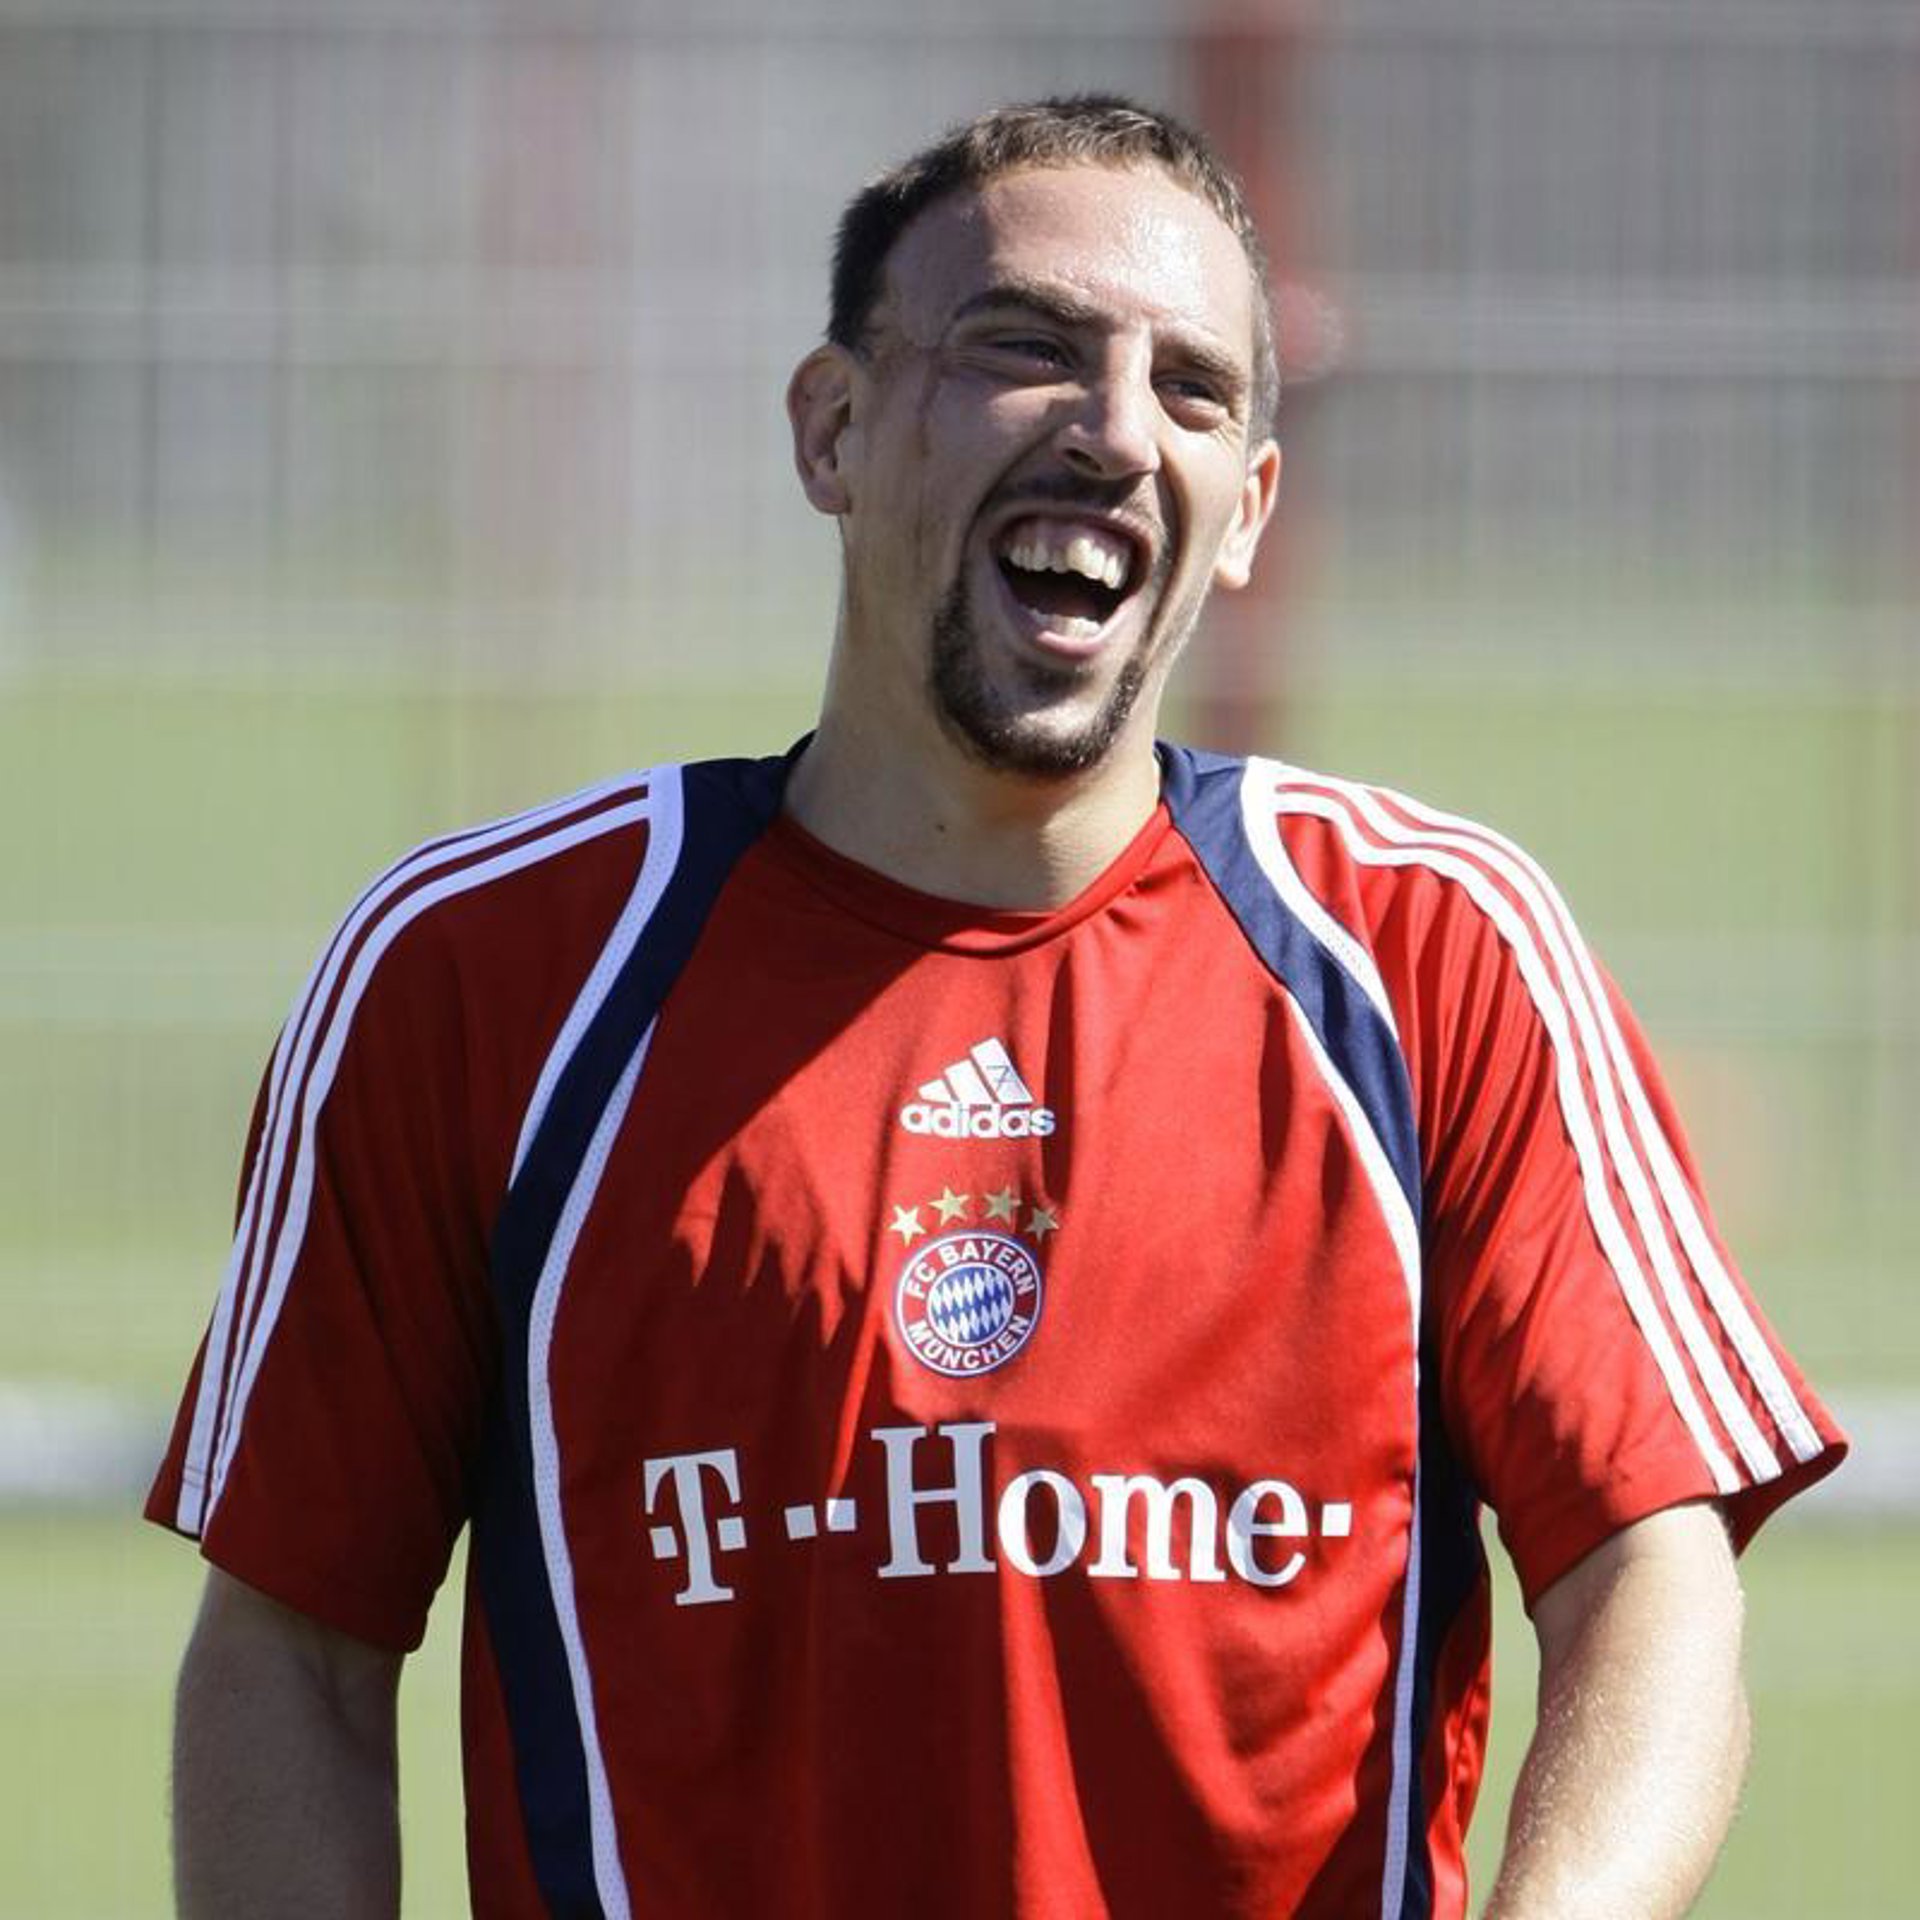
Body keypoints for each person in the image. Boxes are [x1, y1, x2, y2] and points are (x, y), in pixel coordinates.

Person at [149, 95, 1844, 1920]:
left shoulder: (1431, 954)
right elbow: (293, 1654)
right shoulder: (488, 971)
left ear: (1250, 512)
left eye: (1193, 390)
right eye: (1023, 349)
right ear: (833, 427)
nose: (1114, 431)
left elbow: (1650, 1574)